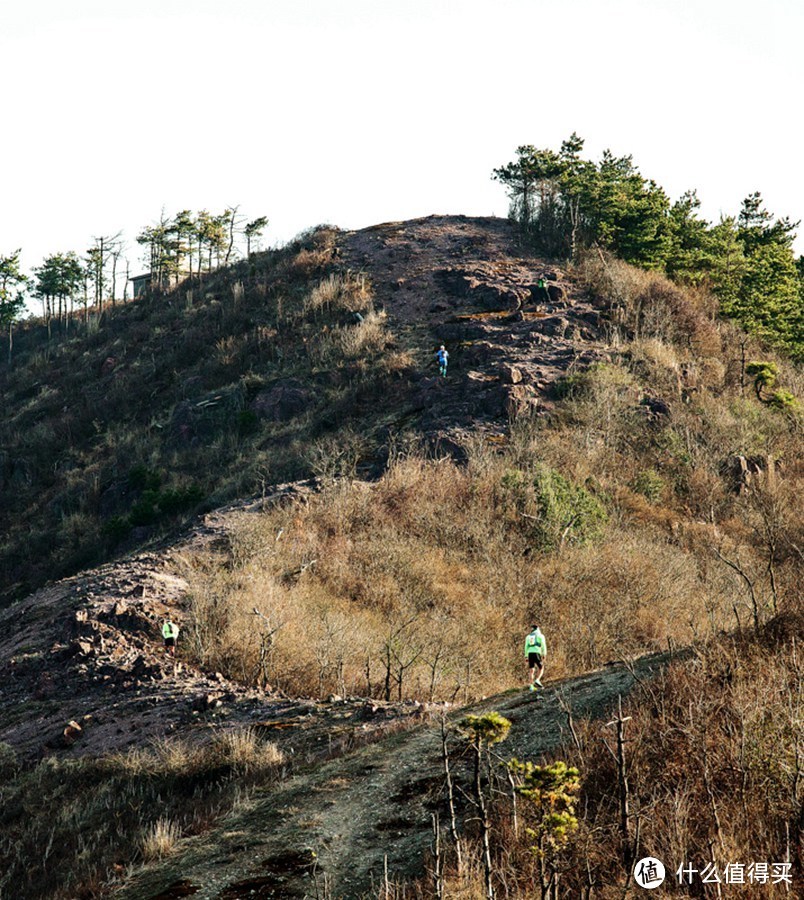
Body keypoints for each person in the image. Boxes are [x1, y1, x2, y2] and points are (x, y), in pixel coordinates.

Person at [524, 624, 546, 690]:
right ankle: (537, 680)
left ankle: (531, 686)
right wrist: (544, 654)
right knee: (541, 667)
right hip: (537, 653)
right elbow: (543, 645)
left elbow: (526, 647)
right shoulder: (541, 636)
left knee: (531, 670)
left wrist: (526, 656)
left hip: (530, 653)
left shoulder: (528, 637)